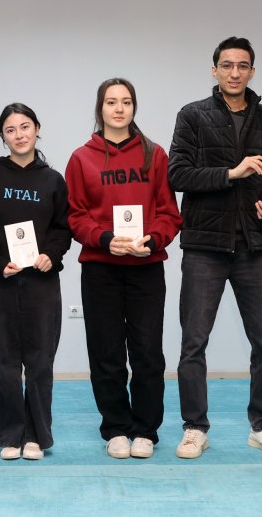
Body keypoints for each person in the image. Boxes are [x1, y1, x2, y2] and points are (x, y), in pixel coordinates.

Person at [168, 37, 262, 459]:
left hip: (254, 245)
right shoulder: (192, 114)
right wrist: (232, 173)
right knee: (193, 343)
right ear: (214, 70)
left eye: (242, 66)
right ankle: (194, 427)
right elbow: (178, 174)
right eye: (226, 65)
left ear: (252, 71)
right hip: (204, 245)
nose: (235, 72)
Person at [65, 78, 181, 459]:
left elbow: (169, 213)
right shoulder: (81, 158)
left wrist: (154, 240)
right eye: (111, 102)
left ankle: (145, 428)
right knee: (106, 352)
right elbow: (75, 215)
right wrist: (104, 238)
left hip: (146, 267)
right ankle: (115, 427)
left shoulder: (154, 154)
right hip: (101, 269)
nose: (119, 109)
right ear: (100, 108)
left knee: (148, 352)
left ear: (134, 108)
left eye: (126, 102)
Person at [0, 103, 72, 461]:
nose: (19, 135)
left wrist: (51, 255)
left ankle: (37, 436)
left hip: (42, 284)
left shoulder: (53, 180)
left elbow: (63, 229)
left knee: (40, 364)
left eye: (25, 126)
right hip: (0, 284)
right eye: (10, 130)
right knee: (6, 364)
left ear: (37, 129)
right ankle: (11, 435)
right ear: (3, 136)